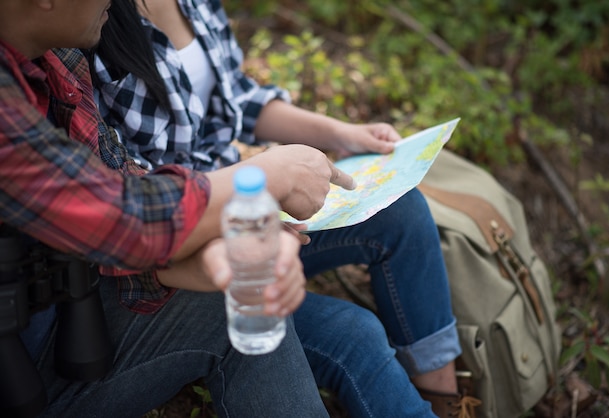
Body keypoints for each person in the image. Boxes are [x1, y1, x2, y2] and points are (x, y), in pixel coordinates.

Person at [90, 0, 482, 416]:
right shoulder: (88, 23)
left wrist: (343, 134)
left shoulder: (194, 3)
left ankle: (446, 399)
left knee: (401, 209)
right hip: (186, 246)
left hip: (250, 203)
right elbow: (126, 194)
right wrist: (264, 177)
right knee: (355, 334)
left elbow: (239, 98)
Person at [0, 1, 359, 417]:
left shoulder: (57, 60)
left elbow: (116, 183)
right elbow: (119, 216)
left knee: (239, 300)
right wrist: (266, 176)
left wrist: (205, 257)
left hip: (51, 326)